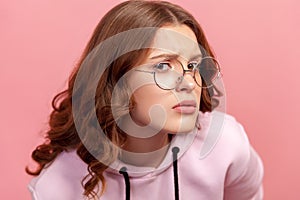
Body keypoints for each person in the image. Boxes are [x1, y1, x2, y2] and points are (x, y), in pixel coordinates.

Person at [26, 1, 264, 200]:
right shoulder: (58, 185)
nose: (190, 83)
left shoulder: (226, 145)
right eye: (163, 66)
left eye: (193, 66)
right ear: (116, 78)